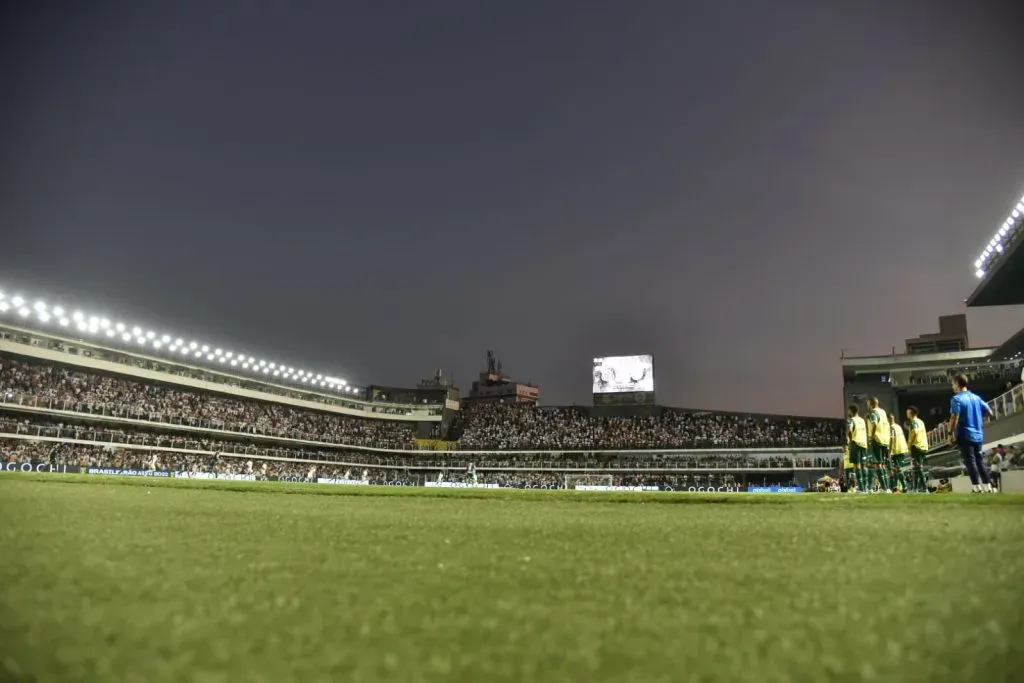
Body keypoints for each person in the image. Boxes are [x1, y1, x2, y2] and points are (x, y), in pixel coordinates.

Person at [947, 374, 994, 493]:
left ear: (957, 384)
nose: (952, 387)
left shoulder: (956, 399)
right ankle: (988, 486)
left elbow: (954, 417)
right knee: (979, 460)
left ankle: (976, 487)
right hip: (978, 434)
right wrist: (978, 418)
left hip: (965, 434)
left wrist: (950, 434)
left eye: (953, 384)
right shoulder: (976, 398)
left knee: (970, 461)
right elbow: (990, 413)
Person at [866, 398, 891, 493]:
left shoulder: (873, 413)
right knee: (882, 464)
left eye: (868, 404)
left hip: (877, 439)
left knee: (877, 464)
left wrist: (871, 437)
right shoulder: (883, 412)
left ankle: (884, 488)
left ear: (870, 404)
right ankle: (887, 488)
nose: (867, 406)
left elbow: (874, 424)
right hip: (884, 440)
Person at [904, 406, 930, 493]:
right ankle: (915, 489)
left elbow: (914, 431)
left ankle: (925, 488)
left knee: (918, 467)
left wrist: (909, 444)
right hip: (923, 446)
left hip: (916, 446)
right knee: (915, 468)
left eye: (908, 412)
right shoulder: (920, 422)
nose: (907, 414)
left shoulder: (913, 422)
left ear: (911, 413)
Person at [846, 405, 868, 492]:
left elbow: (850, 430)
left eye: (849, 411)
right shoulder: (862, 420)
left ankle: (861, 488)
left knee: (857, 465)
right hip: (864, 444)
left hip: (855, 443)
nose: (848, 413)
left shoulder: (851, 420)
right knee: (864, 465)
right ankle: (865, 487)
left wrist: (850, 440)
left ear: (851, 411)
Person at [888, 413, 910, 493]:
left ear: (888, 419)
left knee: (897, 469)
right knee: (897, 469)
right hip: (902, 449)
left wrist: (889, 451)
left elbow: (891, 439)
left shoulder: (891, 427)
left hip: (896, 450)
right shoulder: (898, 426)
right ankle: (896, 487)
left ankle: (904, 487)